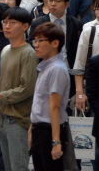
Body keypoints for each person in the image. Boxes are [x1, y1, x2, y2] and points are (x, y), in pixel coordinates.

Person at [0, 7, 38, 171]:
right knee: (7, 167)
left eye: (13, 22)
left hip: (18, 120)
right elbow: (2, 84)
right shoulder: (6, 51)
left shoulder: (28, 53)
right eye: (5, 22)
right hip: (3, 119)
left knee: (18, 167)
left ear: (25, 26)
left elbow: (27, 88)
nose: (7, 26)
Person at [29, 22, 70, 170]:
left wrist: (56, 141)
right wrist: (31, 129)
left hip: (50, 132)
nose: (36, 45)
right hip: (39, 130)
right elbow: (39, 102)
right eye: (35, 41)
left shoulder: (57, 69)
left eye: (41, 40)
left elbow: (55, 106)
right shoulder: (45, 67)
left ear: (55, 43)